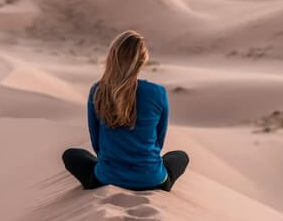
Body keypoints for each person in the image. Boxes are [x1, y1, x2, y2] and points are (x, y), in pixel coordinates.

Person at [62, 30, 189, 192]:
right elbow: (159, 142)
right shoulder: (158, 92)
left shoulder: (98, 91)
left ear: (112, 57)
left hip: (106, 178)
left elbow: (96, 143)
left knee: (72, 155)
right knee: (180, 156)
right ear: (143, 60)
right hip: (152, 179)